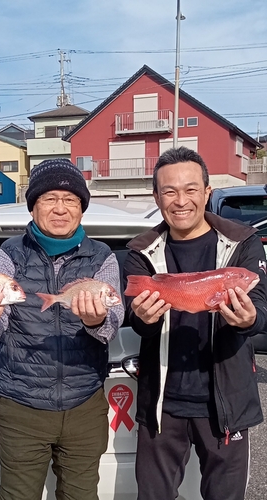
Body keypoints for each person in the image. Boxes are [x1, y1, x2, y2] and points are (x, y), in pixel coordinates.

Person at [0, 158, 124, 500]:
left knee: (82, 495)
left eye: (70, 200)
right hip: (21, 405)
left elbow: (113, 321)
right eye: (49, 199)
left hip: (84, 405)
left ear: (82, 208)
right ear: (33, 206)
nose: (61, 209)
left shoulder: (103, 257)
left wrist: (96, 319)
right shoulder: (8, 255)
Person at [123, 146, 267, 500]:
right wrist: (142, 317)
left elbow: (261, 308)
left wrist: (248, 319)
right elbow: (135, 319)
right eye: (169, 191)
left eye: (190, 189)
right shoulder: (140, 251)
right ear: (156, 196)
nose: (180, 200)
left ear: (207, 193)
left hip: (226, 404)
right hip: (161, 404)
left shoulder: (243, 243)